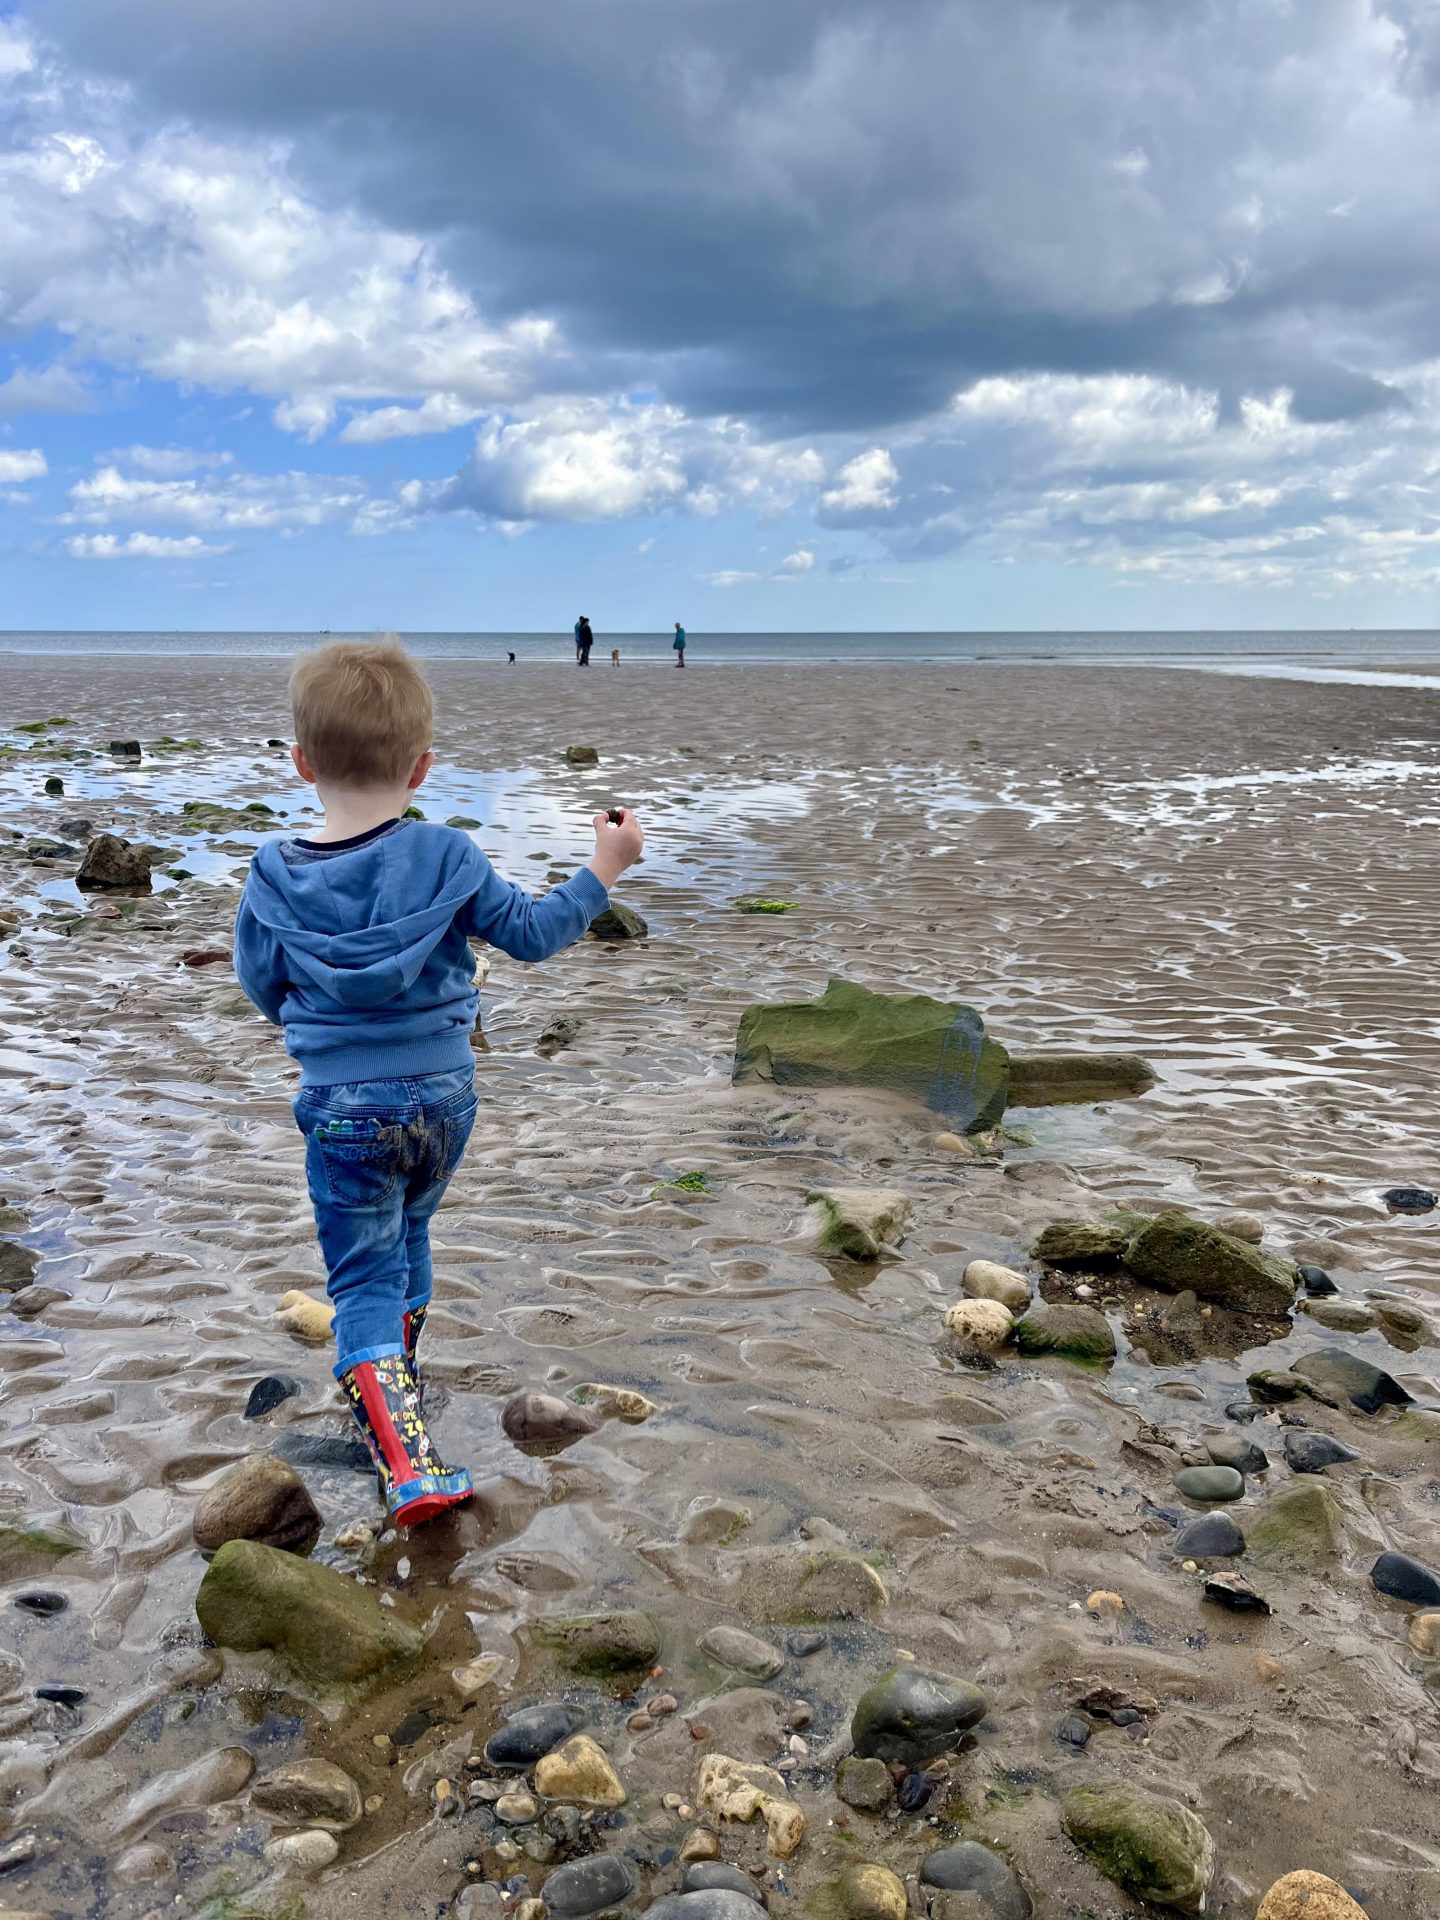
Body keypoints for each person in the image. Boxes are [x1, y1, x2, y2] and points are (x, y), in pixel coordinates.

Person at [233, 638, 644, 1528]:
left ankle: (404, 1458)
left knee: (362, 1276)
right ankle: (396, 1388)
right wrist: (603, 870)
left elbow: (263, 987)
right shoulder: (447, 857)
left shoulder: (272, 875)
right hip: (444, 1098)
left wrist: (320, 1024)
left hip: (344, 1105)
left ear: (303, 763)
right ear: (421, 768)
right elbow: (530, 935)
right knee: (411, 1228)